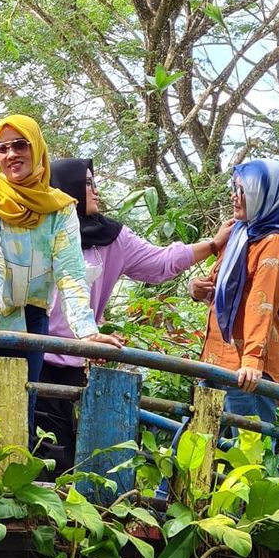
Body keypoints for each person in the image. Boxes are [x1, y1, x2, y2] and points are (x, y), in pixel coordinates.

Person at [36, 157, 235, 472]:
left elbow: (159, 263)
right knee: (41, 443)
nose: (96, 191)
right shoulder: (41, 230)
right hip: (35, 353)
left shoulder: (112, 238)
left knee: (72, 444)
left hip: (77, 356)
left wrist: (212, 245)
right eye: (88, 183)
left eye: (95, 182)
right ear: (67, 188)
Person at [0, 115, 120, 427]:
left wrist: (87, 333)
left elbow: (71, 272)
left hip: (28, 314)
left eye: (20, 144)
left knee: (17, 414)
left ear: (37, 148)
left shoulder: (59, 209)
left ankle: (4, 476)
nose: (11, 154)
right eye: (1, 149)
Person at [189, 159, 279, 424]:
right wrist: (197, 289)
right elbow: (218, 285)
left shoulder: (274, 243)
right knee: (201, 448)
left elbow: (262, 303)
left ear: (268, 195)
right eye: (234, 188)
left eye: (243, 190)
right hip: (216, 361)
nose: (234, 196)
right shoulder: (240, 233)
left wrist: (253, 360)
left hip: (247, 371)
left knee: (249, 454)